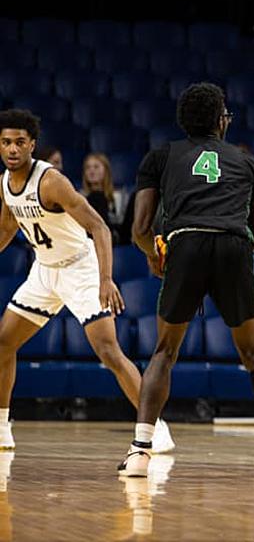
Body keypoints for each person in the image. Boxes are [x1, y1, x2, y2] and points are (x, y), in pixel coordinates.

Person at [117, 83, 254, 479]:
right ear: (221, 120)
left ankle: (140, 453)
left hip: (184, 244)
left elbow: (139, 227)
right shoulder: (248, 162)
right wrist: (225, 259)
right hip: (234, 246)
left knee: (164, 353)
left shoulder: (161, 156)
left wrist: (157, 256)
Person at [0, 109, 173, 454]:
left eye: (20, 142)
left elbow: (100, 228)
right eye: (6, 142)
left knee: (109, 353)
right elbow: (6, 228)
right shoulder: (4, 182)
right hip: (44, 271)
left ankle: (156, 427)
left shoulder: (51, 181)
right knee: (4, 343)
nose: (13, 149)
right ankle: (2, 427)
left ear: (32, 145)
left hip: (81, 269)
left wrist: (105, 279)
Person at [81, 153, 128, 241]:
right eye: (88, 168)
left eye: (96, 167)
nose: (91, 171)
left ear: (106, 171)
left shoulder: (118, 196)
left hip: (118, 238)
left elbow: (123, 224)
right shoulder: (80, 197)